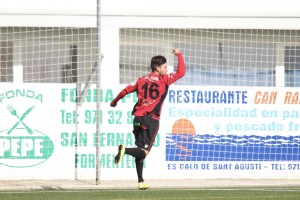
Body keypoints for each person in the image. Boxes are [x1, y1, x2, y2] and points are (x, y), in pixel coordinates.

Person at [110, 48, 186, 190]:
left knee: (139, 150)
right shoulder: (165, 80)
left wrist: (114, 102)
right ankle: (124, 150)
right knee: (144, 152)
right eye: (165, 66)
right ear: (158, 68)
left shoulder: (141, 80)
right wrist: (179, 54)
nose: (167, 69)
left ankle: (140, 180)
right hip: (151, 119)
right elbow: (181, 72)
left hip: (137, 118)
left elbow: (125, 90)